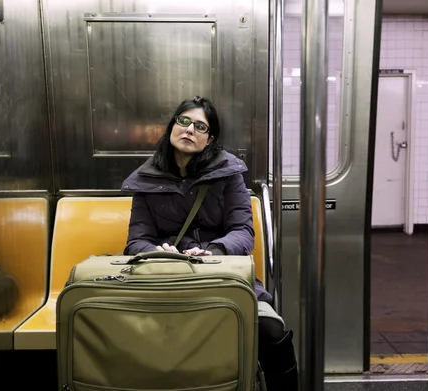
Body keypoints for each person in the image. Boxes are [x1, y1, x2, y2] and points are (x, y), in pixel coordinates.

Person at [121, 96, 298, 390]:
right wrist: (157, 253)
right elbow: (136, 241)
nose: (189, 130)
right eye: (184, 121)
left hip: (223, 272)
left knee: (270, 328)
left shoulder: (228, 174)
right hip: (166, 276)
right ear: (171, 127)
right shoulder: (146, 179)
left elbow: (243, 232)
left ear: (209, 139)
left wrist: (214, 250)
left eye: (200, 126)